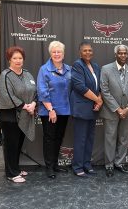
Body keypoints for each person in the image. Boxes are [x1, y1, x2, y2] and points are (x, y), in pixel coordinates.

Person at [0, 46, 37, 183]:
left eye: (20, 58)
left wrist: (34, 104)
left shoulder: (27, 74)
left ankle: (16, 168)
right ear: (9, 60)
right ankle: (11, 173)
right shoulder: (5, 75)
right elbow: (7, 95)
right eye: (15, 58)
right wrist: (25, 106)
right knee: (11, 144)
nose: (18, 61)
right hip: (8, 114)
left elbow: (35, 92)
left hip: (24, 113)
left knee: (18, 143)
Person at [100, 44, 128, 177]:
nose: (123, 55)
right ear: (116, 54)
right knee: (110, 138)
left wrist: (127, 108)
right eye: (120, 53)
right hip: (111, 111)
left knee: (123, 138)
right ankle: (109, 165)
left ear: (127, 54)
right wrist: (117, 109)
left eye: (125, 53)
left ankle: (119, 162)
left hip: (126, 112)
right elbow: (104, 91)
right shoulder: (106, 69)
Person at [37, 41, 71, 179]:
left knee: (58, 137)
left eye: (59, 52)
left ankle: (55, 164)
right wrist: (51, 110)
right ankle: (49, 167)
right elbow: (42, 91)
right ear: (50, 53)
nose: (57, 54)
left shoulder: (69, 69)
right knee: (50, 139)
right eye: (54, 52)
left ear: (63, 54)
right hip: (49, 111)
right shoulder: (44, 69)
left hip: (64, 110)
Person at [70, 41, 103, 177]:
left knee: (89, 138)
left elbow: (99, 87)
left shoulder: (95, 66)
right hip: (81, 107)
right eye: (85, 50)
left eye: (90, 50)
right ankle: (78, 167)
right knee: (80, 139)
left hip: (93, 108)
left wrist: (99, 100)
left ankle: (87, 164)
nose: (88, 52)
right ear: (80, 52)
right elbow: (80, 87)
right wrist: (97, 99)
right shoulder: (77, 65)